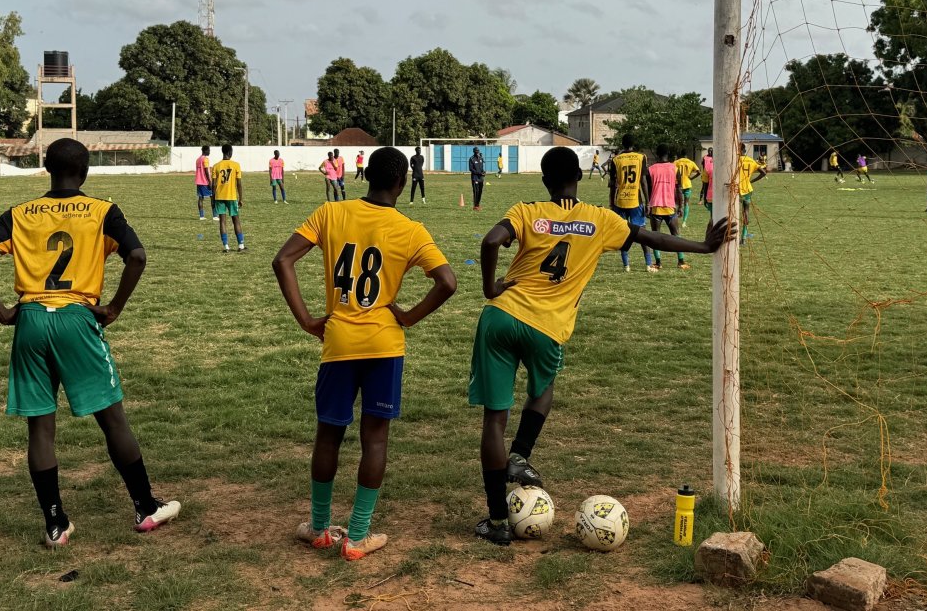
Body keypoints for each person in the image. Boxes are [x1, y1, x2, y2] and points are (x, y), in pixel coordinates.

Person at [469, 147, 735, 545]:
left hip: (501, 316)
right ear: (579, 175)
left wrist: (490, 287)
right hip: (547, 327)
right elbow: (651, 236)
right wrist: (702, 245)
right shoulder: (599, 220)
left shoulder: (527, 210)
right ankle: (520, 454)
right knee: (542, 390)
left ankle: (497, 522)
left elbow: (491, 241)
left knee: (494, 419)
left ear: (544, 181)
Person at [0, 138, 180, 547]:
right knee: (112, 420)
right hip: (76, 316)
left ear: (48, 169)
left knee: (40, 426)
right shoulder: (101, 210)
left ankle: (55, 524)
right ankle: (145, 505)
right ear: (85, 171)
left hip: (31, 319)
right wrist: (114, 307)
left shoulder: (19, 213)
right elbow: (137, 257)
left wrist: (1, 312)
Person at [272, 147, 457, 561]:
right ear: (402, 182)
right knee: (375, 439)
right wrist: (407, 317)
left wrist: (306, 320)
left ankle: (319, 529)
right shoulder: (410, 230)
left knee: (329, 434)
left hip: (338, 342)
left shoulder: (331, 213)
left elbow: (282, 260)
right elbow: (447, 281)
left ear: (365, 176)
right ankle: (357, 538)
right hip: (384, 345)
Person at [607, 134, 654, 272]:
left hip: (620, 200)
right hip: (635, 200)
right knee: (643, 233)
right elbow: (643, 181)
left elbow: (612, 184)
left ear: (622, 144)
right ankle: (648, 264)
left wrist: (611, 202)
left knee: (623, 233)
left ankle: (626, 265)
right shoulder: (641, 157)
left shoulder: (616, 160)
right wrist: (648, 202)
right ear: (634, 144)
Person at [647, 144, 688, 270]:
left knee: (655, 236)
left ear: (657, 153)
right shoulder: (674, 168)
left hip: (656, 206)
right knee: (676, 235)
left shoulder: (651, 169)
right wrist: (680, 206)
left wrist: (647, 205)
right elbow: (679, 189)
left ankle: (658, 262)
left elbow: (648, 190)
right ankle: (681, 261)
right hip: (670, 207)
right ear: (668, 153)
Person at [211, 145, 245, 252]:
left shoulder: (216, 166)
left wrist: (213, 200)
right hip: (231, 196)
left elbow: (213, 185)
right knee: (236, 220)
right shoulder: (236, 165)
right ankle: (241, 245)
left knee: (222, 221)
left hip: (219, 196)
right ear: (230, 152)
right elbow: (239, 183)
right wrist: (241, 198)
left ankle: (226, 246)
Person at [739, 142, 766, 244]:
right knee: (745, 212)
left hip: (736, 191)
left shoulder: (734, 160)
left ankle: (731, 234)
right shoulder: (751, 161)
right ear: (745, 151)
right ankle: (744, 237)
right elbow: (763, 173)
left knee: (731, 212)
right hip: (747, 190)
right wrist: (751, 181)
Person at [673, 151, 701, 227]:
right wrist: (691, 178)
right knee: (686, 203)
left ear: (680, 155)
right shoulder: (691, 162)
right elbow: (699, 172)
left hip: (678, 185)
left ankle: (675, 219)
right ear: (686, 155)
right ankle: (684, 222)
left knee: (676, 203)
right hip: (687, 184)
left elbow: (672, 171)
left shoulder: (676, 162)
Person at [195, 145, 214, 220]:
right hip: (205, 181)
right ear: (205, 150)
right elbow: (206, 171)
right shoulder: (205, 159)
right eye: (209, 150)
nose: (209, 152)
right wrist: (210, 181)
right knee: (212, 197)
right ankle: (215, 215)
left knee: (200, 198)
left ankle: (201, 216)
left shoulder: (198, 159)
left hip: (198, 181)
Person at [701, 147, 714, 218]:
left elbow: (705, 185)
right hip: (722, 196)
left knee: (712, 217)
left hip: (710, 195)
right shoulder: (705, 158)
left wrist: (705, 198)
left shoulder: (708, 167)